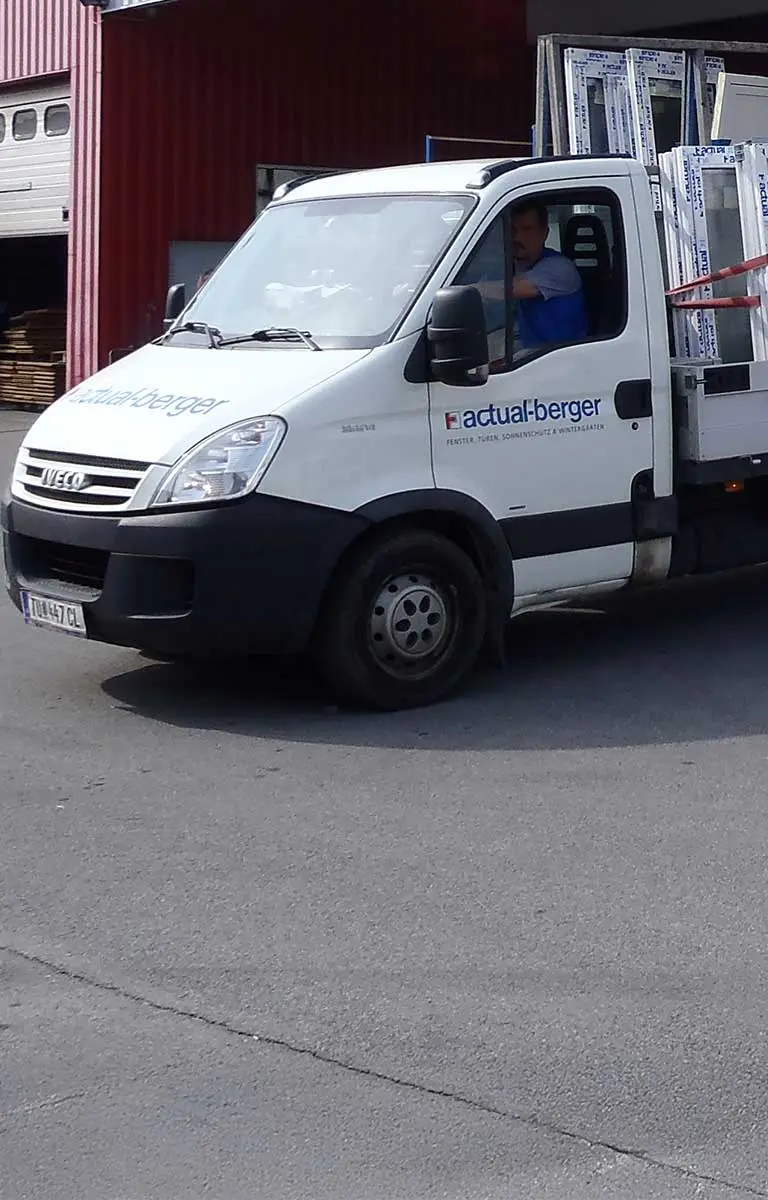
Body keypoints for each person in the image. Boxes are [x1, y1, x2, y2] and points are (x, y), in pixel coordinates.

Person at [470, 200, 588, 354]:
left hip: (563, 361)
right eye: (512, 230)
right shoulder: (503, 269)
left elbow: (508, 290)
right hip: (526, 358)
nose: (517, 238)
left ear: (544, 232)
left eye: (527, 229)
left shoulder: (560, 268)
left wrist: (463, 292)